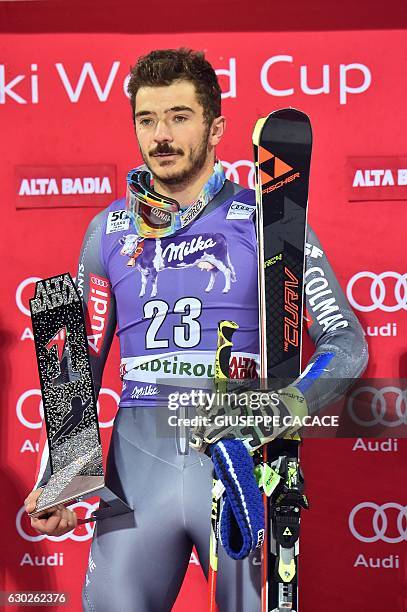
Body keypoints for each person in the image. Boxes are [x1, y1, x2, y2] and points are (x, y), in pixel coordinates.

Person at [24, 48, 368, 611]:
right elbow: (78, 365)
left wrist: (279, 411)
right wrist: (65, 473)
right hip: (136, 476)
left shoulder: (268, 216)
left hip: (238, 466)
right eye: (147, 119)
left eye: (179, 117)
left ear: (215, 128)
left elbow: (346, 344)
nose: (161, 135)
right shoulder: (107, 229)